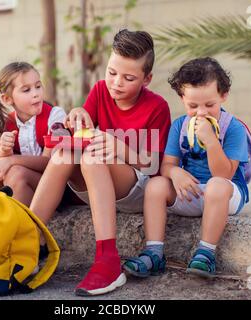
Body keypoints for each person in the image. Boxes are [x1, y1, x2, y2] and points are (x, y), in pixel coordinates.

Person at [29, 29, 171, 296]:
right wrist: (78, 114)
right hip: (95, 183)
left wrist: (119, 147)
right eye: (111, 72)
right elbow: (81, 131)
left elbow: (154, 165)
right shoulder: (99, 91)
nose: (116, 83)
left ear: (147, 79)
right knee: (64, 152)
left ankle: (108, 261)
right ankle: (28, 240)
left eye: (128, 78)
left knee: (94, 155)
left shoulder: (157, 107)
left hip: (134, 188)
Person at [123, 57, 250, 279]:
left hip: (225, 195)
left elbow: (225, 174)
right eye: (193, 106)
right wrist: (175, 173)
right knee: (155, 185)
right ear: (182, 99)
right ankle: (154, 252)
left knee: (216, 185)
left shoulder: (234, 128)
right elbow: (167, 166)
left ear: (223, 95)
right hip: (189, 191)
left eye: (209, 105)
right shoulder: (180, 126)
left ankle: (206, 253)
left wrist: (211, 141)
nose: (201, 113)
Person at [0, 62, 66, 207]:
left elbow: (48, 162)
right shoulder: (8, 123)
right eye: (26, 90)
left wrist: (11, 160)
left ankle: (20, 225)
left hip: (53, 186)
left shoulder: (55, 117)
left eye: (38, 86)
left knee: (16, 173)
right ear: (7, 99)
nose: (35, 94)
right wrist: (5, 151)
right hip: (20, 183)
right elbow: (1, 166)